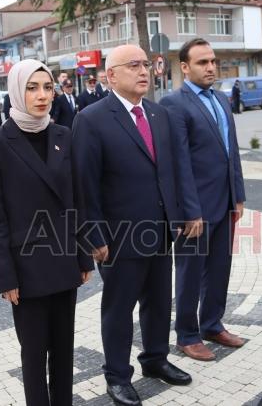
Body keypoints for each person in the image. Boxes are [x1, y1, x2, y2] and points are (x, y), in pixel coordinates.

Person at [73, 44, 191, 406]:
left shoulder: (158, 114)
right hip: (118, 238)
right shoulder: (91, 119)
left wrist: (177, 219)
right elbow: (84, 184)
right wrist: (93, 236)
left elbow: (170, 172)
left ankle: (155, 359)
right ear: (111, 75)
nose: (144, 71)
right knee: (119, 309)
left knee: (159, 302)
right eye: (134, 65)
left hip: (159, 231)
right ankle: (117, 377)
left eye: (146, 65)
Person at [0, 59, 94, 406]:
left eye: (47, 87)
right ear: (17, 91)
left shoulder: (63, 135)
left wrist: (83, 254)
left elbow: (76, 199)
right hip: (26, 268)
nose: (42, 95)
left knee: (63, 351)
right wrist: (5, 274)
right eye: (32, 88)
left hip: (63, 262)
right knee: (33, 355)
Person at [160, 38, 247, 363]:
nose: (211, 67)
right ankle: (187, 335)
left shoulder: (221, 99)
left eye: (213, 61)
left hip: (225, 203)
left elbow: (231, 152)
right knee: (190, 272)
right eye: (202, 62)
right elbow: (179, 163)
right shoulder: (174, 104)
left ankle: (212, 324)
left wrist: (238, 195)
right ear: (184, 67)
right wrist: (190, 212)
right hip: (195, 209)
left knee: (220, 268)